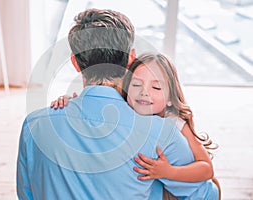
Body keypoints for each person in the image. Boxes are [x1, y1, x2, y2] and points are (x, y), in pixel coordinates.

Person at [17, 8, 219, 199]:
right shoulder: (161, 133)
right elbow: (206, 195)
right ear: (131, 58)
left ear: (75, 62)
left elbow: (27, 194)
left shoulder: (34, 124)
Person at [52, 53, 221, 199]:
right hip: (159, 187)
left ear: (170, 98)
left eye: (156, 87)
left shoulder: (175, 121)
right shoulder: (126, 110)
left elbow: (207, 169)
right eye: (136, 85)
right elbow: (96, 104)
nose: (144, 92)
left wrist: (168, 172)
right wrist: (70, 101)